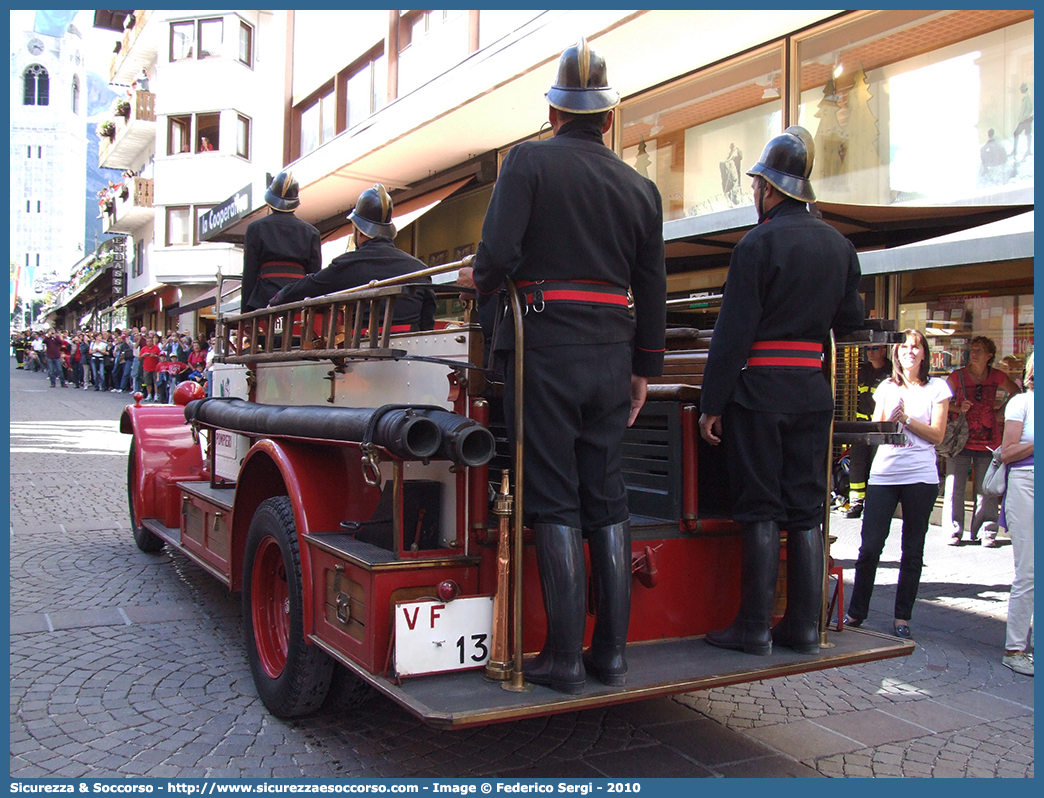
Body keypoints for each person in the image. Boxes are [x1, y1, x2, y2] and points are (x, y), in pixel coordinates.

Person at [458, 37, 667, 694]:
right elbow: (652, 286)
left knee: (551, 495)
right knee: (606, 495)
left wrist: (480, 284)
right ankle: (610, 655)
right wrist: (644, 367)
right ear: (607, 117)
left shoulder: (528, 163)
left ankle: (564, 659)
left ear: (553, 113)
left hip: (544, 349)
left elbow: (494, 258)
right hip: (611, 355)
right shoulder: (641, 187)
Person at [698, 125, 864, 657]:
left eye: (755, 188)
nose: (754, 196)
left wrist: (712, 404)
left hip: (760, 393)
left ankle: (753, 627)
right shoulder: (840, 246)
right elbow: (851, 318)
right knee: (806, 509)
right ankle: (804, 627)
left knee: (761, 508)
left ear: (770, 189)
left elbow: (732, 335)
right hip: (811, 392)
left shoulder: (756, 243)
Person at [843, 330, 950, 639]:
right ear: (896, 354)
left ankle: (902, 616)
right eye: (904, 347)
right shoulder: (887, 386)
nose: (909, 352)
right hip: (885, 473)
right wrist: (890, 419)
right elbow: (878, 429)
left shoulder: (937, 388)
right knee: (870, 547)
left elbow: (938, 436)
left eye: (915, 347)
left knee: (912, 550)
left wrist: (908, 421)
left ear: (924, 354)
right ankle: (856, 612)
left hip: (921, 476)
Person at [270, 183, 436, 331]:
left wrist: (278, 297)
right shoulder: (419, 269)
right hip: (412, 355)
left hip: (361, 352)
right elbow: (427, 324)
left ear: (359, 230)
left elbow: (309, 286)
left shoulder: (348, 265)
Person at [943, 336, 1021, 547]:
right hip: (961, 440)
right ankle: (954, 531)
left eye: (979, 350)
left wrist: (1002, 412)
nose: (974, 353)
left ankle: (987, 531)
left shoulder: (996, 376)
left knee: (986, 488)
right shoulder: (958, 376)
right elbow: (939, 400)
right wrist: (958, 409)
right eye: (972, 349)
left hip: (988, 440)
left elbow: (1016, 392)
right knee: (955, 487)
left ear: (989, 356)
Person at [240, 171, 322, 312]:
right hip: (298, 301)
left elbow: (249, 273)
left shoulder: (255, 229)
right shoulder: (312, 232)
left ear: (270, 201)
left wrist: (245, 312)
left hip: (264, 299)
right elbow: (314, 275)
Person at [999, 352, 1033, 676]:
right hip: (1027, 483)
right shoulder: (1021, 402)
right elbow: (1007, 452)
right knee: (1029, 570)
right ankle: (1015, 647)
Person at [846, 343, 893, 518]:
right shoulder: (863, 371)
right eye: (867, 349)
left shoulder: (891, 372)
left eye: (874, 349)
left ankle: (873, 503)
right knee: (857, 463)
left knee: (877, 464)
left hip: (880, 426)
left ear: (883, 350)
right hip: (861, 424)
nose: (870, 353)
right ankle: (856, 502)